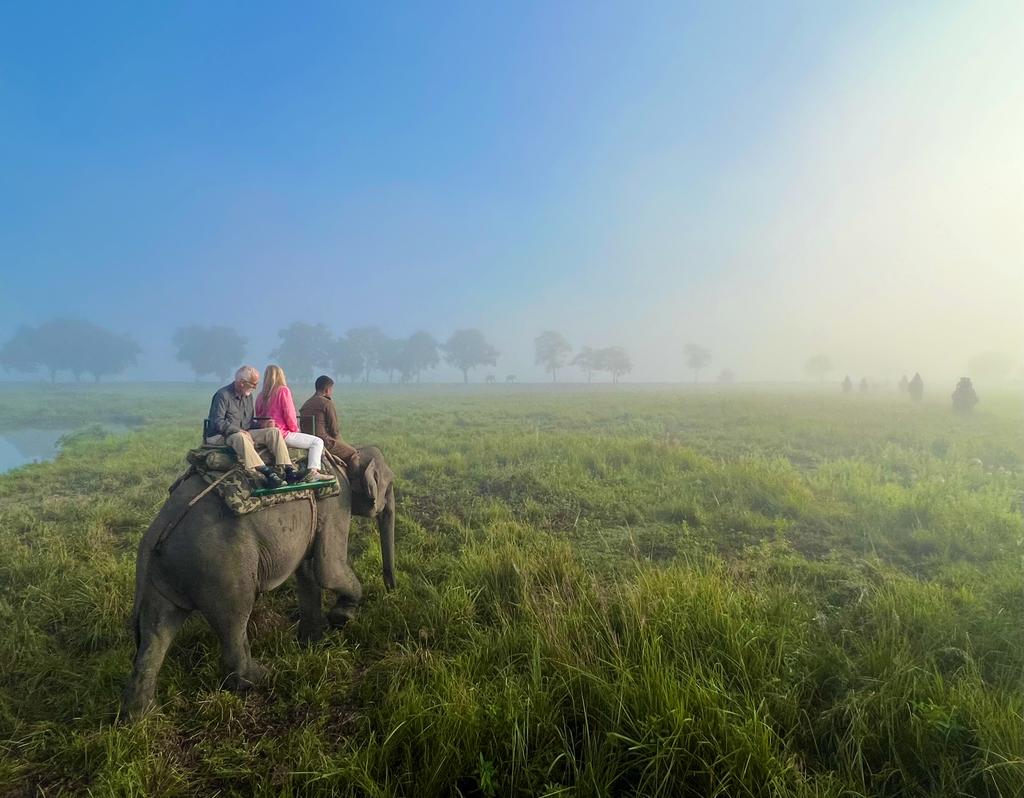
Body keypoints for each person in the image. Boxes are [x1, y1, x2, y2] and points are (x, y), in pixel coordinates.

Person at [206, 365, 293, 486]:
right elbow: (217, 422)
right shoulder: (222, 395)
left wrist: (264, 425)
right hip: (221, 435)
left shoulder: (248, 395)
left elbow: (250, 422)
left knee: (274, 431)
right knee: (239, 437)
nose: (256, 387)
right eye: (253, 384)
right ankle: (266, 472)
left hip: (245, 432)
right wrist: (239, 430)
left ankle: (288, 469)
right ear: (242, 382)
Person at [255, 365, 333, 481]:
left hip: (267, 435)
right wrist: (295, 430)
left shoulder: (261, 395)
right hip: (283, 434)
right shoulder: (283, 391)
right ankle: (314, 472)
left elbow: (258, 415)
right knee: (317, 442)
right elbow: (289, 414)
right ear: (281, 376)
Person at [299, 375, 360, 469]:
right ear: (327, 390)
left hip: (306, 442)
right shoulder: (327, 403)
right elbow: (334, 430)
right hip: (324, 442)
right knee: (353, 453)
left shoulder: (306, 404)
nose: (331, 392)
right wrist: (343, 444)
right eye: (331, 389)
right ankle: (354, 482)